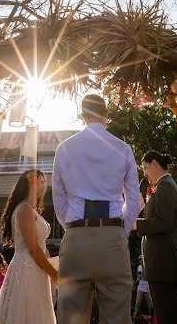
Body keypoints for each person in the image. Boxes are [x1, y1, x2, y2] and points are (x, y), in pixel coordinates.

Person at [53, 93, 141, 324]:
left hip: (75, 237)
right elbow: (133, 199)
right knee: (117, 317)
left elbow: (58, 199)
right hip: (111, 235)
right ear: (106, 115)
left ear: (82, 115)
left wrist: (71, 228)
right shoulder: (123, 148)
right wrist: (121, 230)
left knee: (70, 317)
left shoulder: (64, 148)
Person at [0, 169, 58, 323]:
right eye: (41, 182)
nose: (44, 187)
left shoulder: (30, 210)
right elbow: (32, 248)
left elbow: (40, 246)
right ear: (31, 184)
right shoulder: (24, 209)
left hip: (36, 269)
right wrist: (53, 273)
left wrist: (52, 266)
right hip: (27, 269)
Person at [136, 151, 177, 324]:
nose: (144, 173)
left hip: (163, 263)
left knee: (169, 316)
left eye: (145, 168)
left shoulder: (166, 186)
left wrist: (138, 225)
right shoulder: (162, 186)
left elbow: (164, 222)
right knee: (166, 314)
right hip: (160, 264)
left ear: (155, 164)